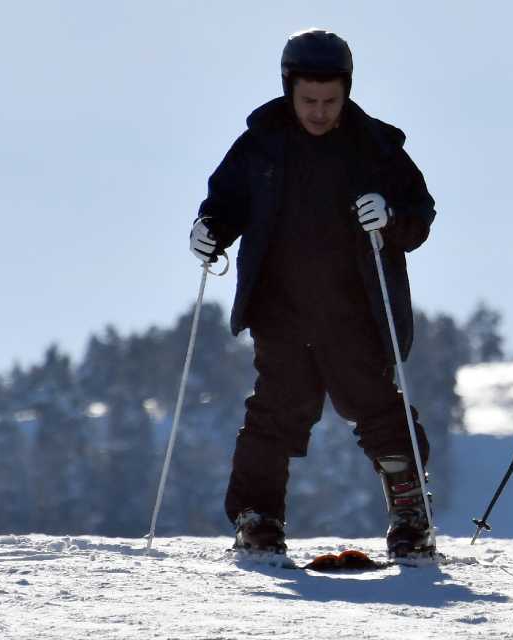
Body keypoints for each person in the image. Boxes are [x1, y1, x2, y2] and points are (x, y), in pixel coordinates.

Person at [188, 29, 437, 559]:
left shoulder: (377, 148)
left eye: (331, 100)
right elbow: (226, 201)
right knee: (276, 409)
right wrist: (209, 229)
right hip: (280, 309)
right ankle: (257, 518)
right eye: (309, 101)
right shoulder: (260, 143)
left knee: (375, 407)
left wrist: (390, 217)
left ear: (347, 91)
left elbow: (419, 216)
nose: (320, 112)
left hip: (357, 310)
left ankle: (411, 517)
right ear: (288, 89)